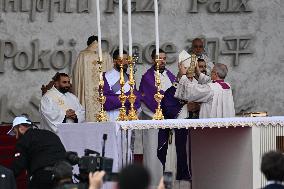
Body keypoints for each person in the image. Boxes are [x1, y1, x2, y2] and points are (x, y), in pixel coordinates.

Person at [157, 57, 209, 182]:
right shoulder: (172, 90)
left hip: (196, 133)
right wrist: (186, 107)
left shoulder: (200, 88)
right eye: (187, 76)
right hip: (177, 132)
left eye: (192, 77)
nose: (190, 79)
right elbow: (168, 109)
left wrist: (198, 107)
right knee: (175, 162)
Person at [139, 49, 176, 185]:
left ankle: (167, 185)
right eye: (158, 58)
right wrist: (158, 116)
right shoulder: (147, 78)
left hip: (169, 123)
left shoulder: (171, 76)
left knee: (168, 157)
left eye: (164, 58)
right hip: (154, 124)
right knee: (153, 156)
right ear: (152, 59)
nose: (162, 61)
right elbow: (143, 101)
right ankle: (153, 185)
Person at [7, 116, 66, 189]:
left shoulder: (23, 140)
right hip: (64, 174)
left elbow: (18, 165)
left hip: (44, 176)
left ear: (21, 128)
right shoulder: (50, 134)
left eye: (15, 132)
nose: (16, 137)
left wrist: (5, 176)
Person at [72, 35, 113, 121]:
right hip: (104, 96)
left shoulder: (82, 56)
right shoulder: (106, 56)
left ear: (88, 44)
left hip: (87, 101)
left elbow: (77, 78)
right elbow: (111, 76)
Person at [103, 49, 141, 121]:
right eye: (122, 60)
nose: (125, 62)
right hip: (113, 115)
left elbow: (136, 98)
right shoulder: (105, 76)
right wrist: (128, 99)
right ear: (114, 61)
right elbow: (107, 100)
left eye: (126, 59)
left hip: (129, 115)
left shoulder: (130, 78)